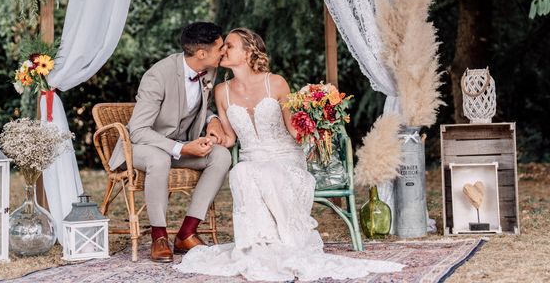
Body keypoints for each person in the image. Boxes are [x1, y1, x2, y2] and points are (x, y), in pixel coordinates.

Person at [175, 28, 404, 281]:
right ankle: (259, 248)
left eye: (229, 45)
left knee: (250, 172)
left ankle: (279, 247)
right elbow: (229, 139)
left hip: (285, 161)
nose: (223, 50)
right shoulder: (222, 91)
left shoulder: (276, 83)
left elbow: (295, 133)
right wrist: (212, 134)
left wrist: (318, 115)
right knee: (241, 170)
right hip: (252, 161)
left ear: (249, 51)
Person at [108, 22, 231, 263]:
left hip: (178, 146)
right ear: (202, 53)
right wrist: (182, 148)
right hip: (140, 149)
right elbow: (138, 130)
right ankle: (159, 237)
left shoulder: (209, 69)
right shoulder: (157, 76)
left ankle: (186, 233)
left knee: (221, 156)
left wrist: (213, 119)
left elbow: (194, 106)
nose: (224, 51)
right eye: (220, 47)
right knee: (159, 157)